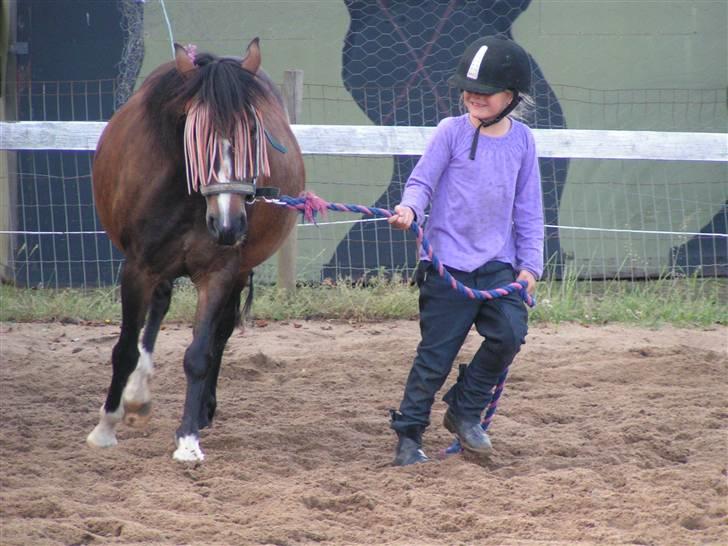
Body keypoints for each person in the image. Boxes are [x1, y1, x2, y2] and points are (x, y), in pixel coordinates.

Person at [387, 36, 544, 466]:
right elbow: (421, 183)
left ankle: (465, 409)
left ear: (510, 97)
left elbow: (529, 208)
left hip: (497, 265)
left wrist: (530, 267)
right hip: (447, 266)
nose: (473, 96)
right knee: (435, 357)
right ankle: (409, 436)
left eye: (485, 90)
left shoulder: (524, 142)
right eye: (468, 88)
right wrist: (409, 209)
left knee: (510, 333)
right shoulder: (450, 133)